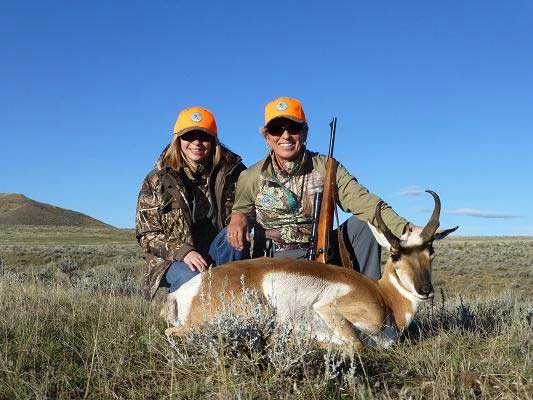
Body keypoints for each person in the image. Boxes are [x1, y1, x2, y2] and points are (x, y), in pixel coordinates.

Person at [226, 97, 418, 279]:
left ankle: (369, 297)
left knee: (364, 224)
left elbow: (362, 200)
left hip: (323, 250)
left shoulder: (326, 167)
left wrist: (406, 229)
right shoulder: (251, 176)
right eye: (277, 129)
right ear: (267, 137)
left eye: (293, 128)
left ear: (304, 133)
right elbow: (241, 210)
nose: (286, 135)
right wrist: (239, 217)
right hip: (274, 257)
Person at [136, 106, 246, 300]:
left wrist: (241, 217)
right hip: (172, 259)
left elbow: (250, 203)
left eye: (204, 136)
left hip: (217, 251)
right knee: (193, 277)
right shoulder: (157, 179)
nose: (196, 143)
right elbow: (147, 235)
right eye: (189, 136)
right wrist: (184, 252)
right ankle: (186, 326)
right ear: (178, 140)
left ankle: (231, 311)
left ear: (213, 141)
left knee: (232, 242)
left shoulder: (233, 172)